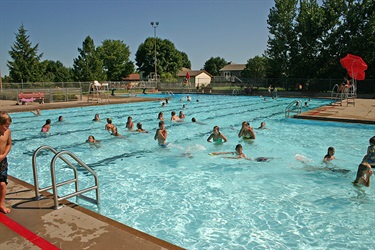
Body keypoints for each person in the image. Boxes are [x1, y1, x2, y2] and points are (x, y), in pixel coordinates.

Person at [0, 112, 12, 214]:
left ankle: (1, 204)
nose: (6, 128)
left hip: (2, 161)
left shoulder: (7, 132)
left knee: (2, 184)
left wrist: (3, 155)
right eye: (5, 126)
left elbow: (9, 144)